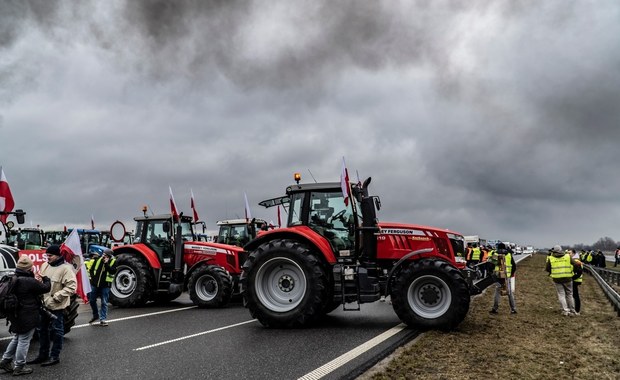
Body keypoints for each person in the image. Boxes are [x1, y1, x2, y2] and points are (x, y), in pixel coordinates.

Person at [0, 255, 51, 376]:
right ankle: (19, 366)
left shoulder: (13, 278)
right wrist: (46, 279)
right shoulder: (29, 281)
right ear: (29, 269)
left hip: (14, 313)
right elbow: (46, 288)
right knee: (24, 340)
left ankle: (5, 360)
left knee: (17, 337)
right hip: (27, 314)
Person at [27, 245, 77, 367]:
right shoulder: (45, 265)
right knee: (41, 330)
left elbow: (71, 287)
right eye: (46, 255)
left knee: (57, 331)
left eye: (50, 256)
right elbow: (41, 280)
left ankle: (54, 356)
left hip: (56, 306)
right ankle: (42, 355)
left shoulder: (66, 269)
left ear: (58, 256)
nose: (47, 258)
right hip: (43, 304)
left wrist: (57, 296)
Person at [545, 245, 578, 316]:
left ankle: (565, 310)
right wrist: (573, 272)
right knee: (569, 294)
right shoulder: (567, 256)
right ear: (561, 250)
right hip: (568, 278)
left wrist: (553, 271)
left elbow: (547, 268)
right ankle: (572, 310)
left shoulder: (551, 258)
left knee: (561, 294)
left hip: (557, 279)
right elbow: (576, 264)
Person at [88, 248, 116, 326]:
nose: (104, 257)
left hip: (105, 285)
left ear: (110, 257)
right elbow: (91, 270)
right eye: (103, 254)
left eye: (106, 256)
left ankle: (103, 319)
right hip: (95, 284)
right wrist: (93, 279)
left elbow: (112, 271)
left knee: (104, 302)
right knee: (92, 300)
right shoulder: (97, 260)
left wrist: (106, 264)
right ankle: (95, 315)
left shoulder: (113, 261)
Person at [489, 243, 517, 315]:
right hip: (507, 276)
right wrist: (510, 274)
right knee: (509, 292)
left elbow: (491, 265)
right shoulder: (509, 254)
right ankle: (513, 309)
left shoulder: (495, 254)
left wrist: (492, 273)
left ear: (498, 247)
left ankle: (495, 309)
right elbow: (514, 266)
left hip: (498, 276)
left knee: (497, 292)